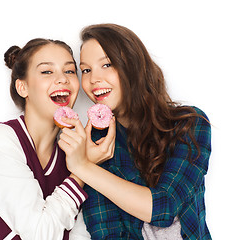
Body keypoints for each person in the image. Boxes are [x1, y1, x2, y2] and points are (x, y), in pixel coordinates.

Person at [58, 24, 212, 239]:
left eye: (107, 64)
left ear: (133, 65)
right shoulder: (97, 145)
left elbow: (164, 207)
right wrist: (85, 163)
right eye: (86, 70)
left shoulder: (189, 124)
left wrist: (82, 166)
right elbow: (106, 233)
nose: (93, 79)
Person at [0, 38, 91, 240]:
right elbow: (39, 233)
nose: (63, 79)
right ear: (23, 88)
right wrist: (83, 171)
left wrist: (82, 165)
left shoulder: (72, 157)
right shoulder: (1, 142)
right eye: (47, 71)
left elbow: (81, 235)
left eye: (69, 71)